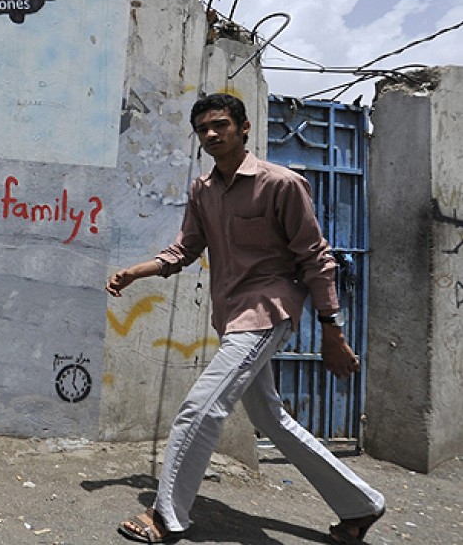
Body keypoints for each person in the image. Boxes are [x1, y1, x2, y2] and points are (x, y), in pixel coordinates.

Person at [106, 93, 385, 544]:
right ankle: (361, 505)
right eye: (203, 129)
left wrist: (331, 329)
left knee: (200, 409)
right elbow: (185, 249)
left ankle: (166, 517)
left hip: (268, 310)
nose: (211, 134)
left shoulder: (281, 184)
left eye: (220, 125)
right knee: (270, 419)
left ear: (244, 128)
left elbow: (316, 258)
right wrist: (139, 271)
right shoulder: (202, 190)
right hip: (232, 314)